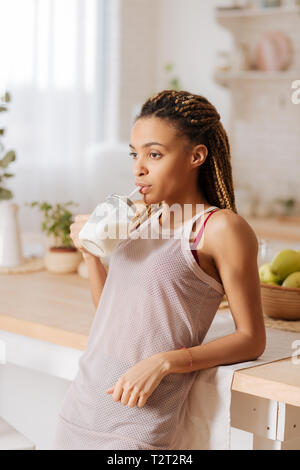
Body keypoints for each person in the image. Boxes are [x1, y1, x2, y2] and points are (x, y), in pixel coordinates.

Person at [52, 90, 266, 450]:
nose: (139, 167)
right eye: (134, 154)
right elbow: (113, 317)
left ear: (196, 156)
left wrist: (166, 361)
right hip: (80, 407)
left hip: (135, 428)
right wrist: (90, 253)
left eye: (154, 154)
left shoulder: (219, 228)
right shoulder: (138, 220)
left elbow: (251, 338)